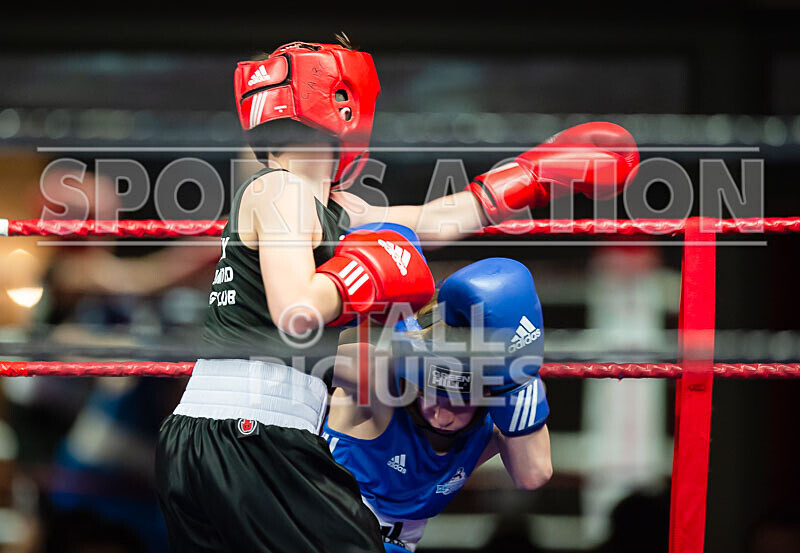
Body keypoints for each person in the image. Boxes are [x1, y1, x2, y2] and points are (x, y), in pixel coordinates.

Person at [155, 35, 637, 553]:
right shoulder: (281, 189)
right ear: (343, 104)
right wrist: (363, 273)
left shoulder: (334, 208)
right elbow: (297, 308)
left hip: (218, 437)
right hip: (254, 435)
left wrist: (531, 177)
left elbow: (432, 222)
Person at [324, 256, 553, 552]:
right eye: (431, 395)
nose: (442, 415)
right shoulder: (380, 392)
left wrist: (516, 379)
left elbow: (534, 473)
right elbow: (324, 349)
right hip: (318, 532)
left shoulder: (497, 410)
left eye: (459, 403)